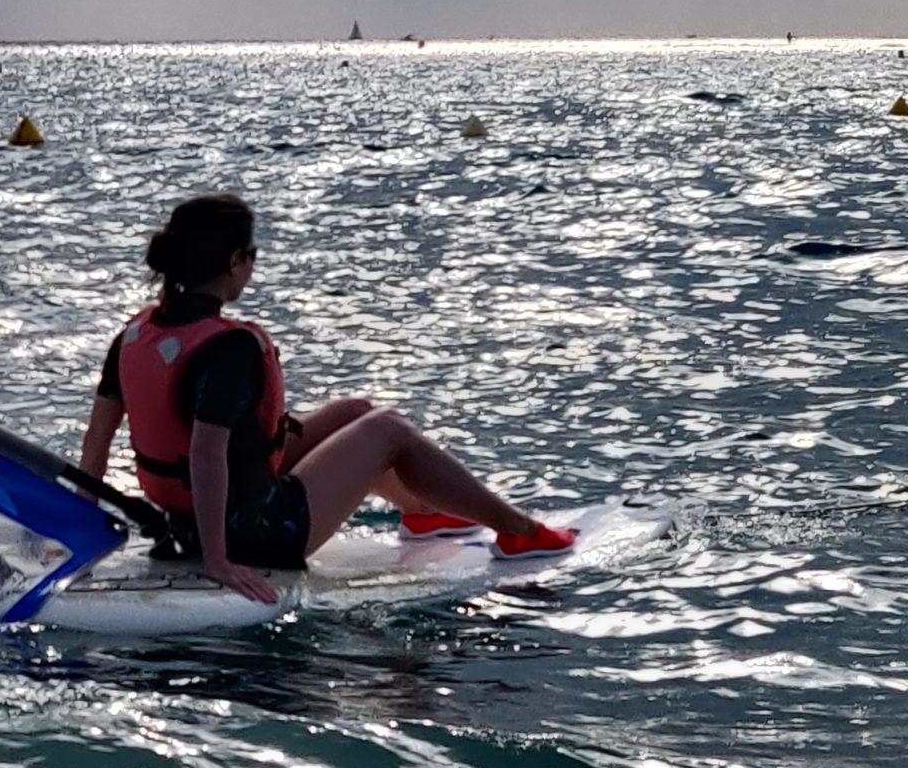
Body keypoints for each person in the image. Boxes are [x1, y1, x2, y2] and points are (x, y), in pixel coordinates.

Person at [79, 194, 576, 603]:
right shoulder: (227, 347)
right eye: (249, 258)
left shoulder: (136, 335)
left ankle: (423, 515)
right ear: (235, 262)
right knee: (389, 431)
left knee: (356, 414)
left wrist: (77, 529)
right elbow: (207, 455)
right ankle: (520, 532)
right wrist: (217, 561)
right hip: (259, 534)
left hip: (179, 522)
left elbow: (96, 442)